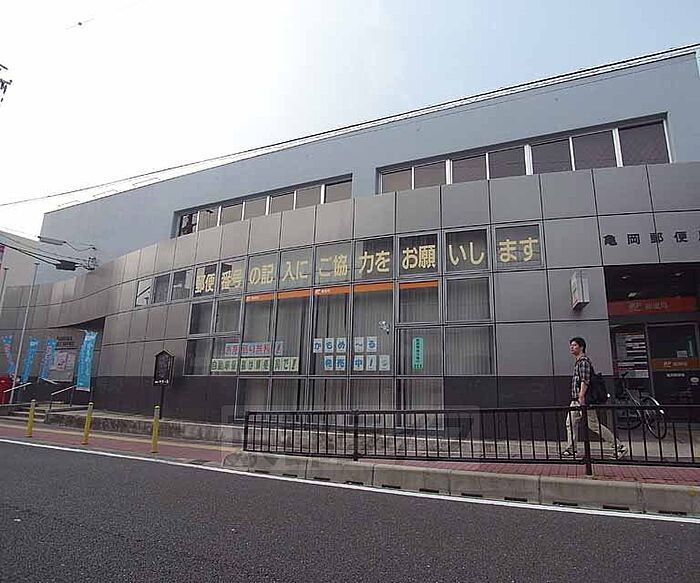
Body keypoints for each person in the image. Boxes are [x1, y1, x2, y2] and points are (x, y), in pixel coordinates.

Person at [563, 337, 627, 459]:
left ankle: (619, 447)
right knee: (570, 423)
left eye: (574, 345)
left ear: (581, 347)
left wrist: (581, 396)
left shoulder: (583, 362)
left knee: (594, 425)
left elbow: (585, 380)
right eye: (571, 345)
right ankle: (571, 449)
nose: (571, 347)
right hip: (576, 400)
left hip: (582, 400)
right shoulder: (578, 362)